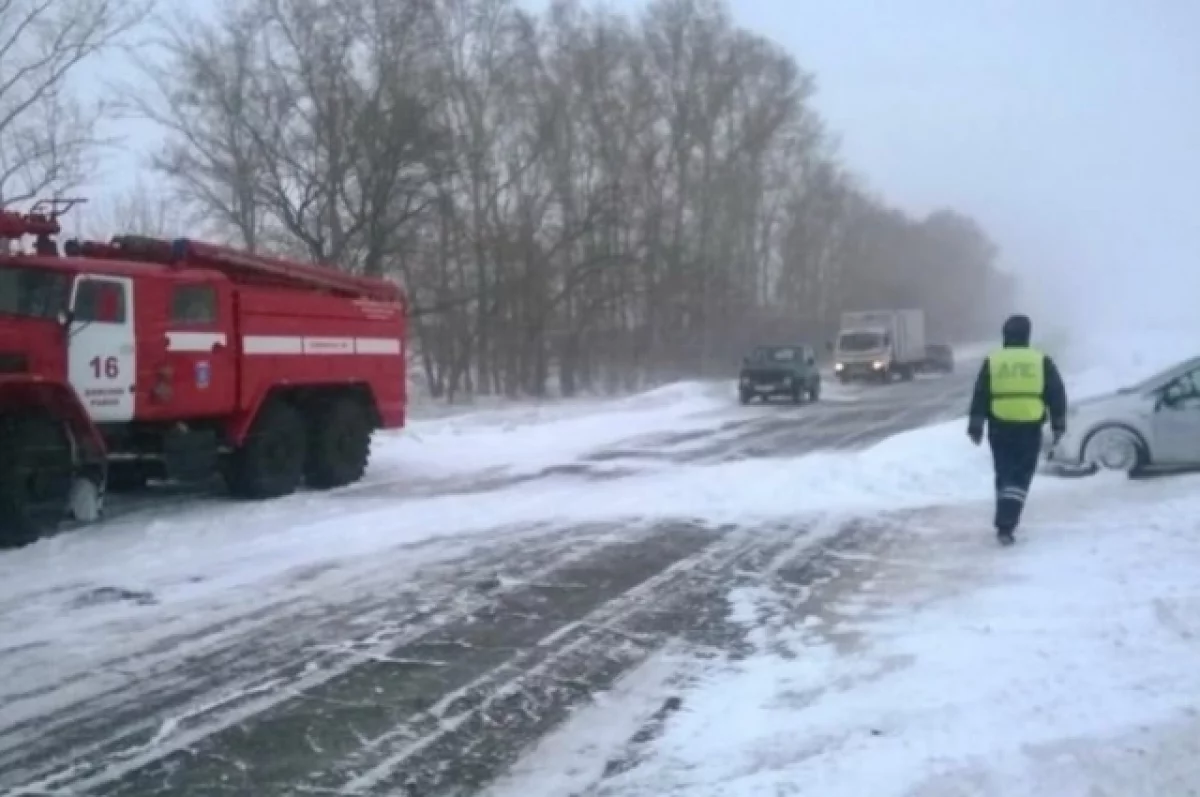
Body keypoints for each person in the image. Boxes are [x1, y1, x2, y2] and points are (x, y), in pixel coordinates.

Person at [967, 314, 1068, 545]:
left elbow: (980, 393)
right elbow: (1056, 393)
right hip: (1029, 425)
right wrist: (1058, 424)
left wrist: (976, 426)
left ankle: (1004, 518)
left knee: (1004, 472)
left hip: (1000, 425)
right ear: (1027, 335)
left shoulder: (993, 361)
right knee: (1021, 476)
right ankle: (1007, 523)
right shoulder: (1040, 360)